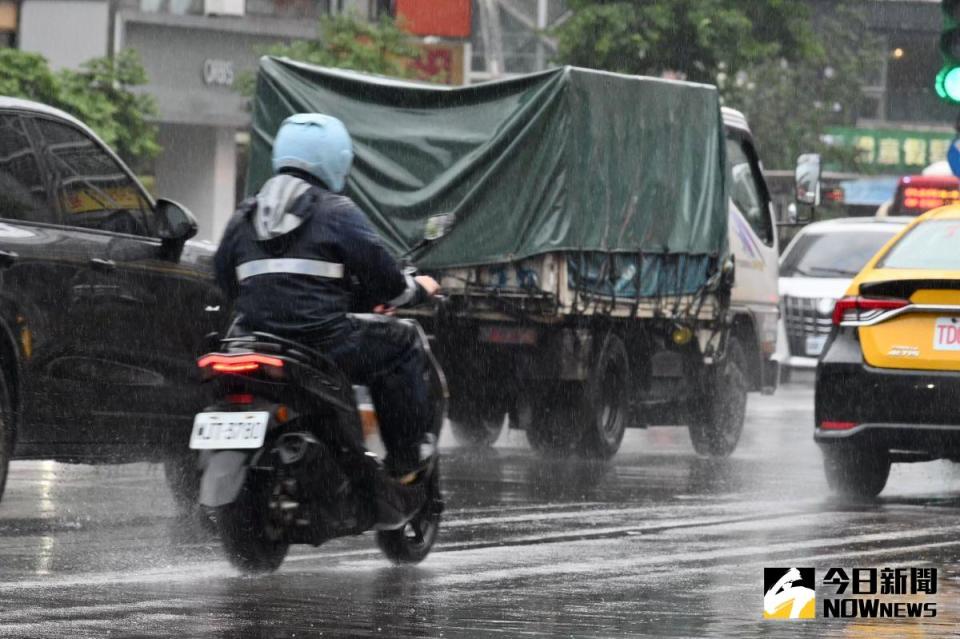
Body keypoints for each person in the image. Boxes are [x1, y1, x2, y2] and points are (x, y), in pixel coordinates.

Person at [213, 113, 441, 479]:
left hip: (255, 343)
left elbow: (223, 279)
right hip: (324, 345)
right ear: (336, 158)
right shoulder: (337, 212)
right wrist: (418, 289)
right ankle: (406, 464)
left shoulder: (245, 214)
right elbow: (389, 283)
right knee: (405, 340)